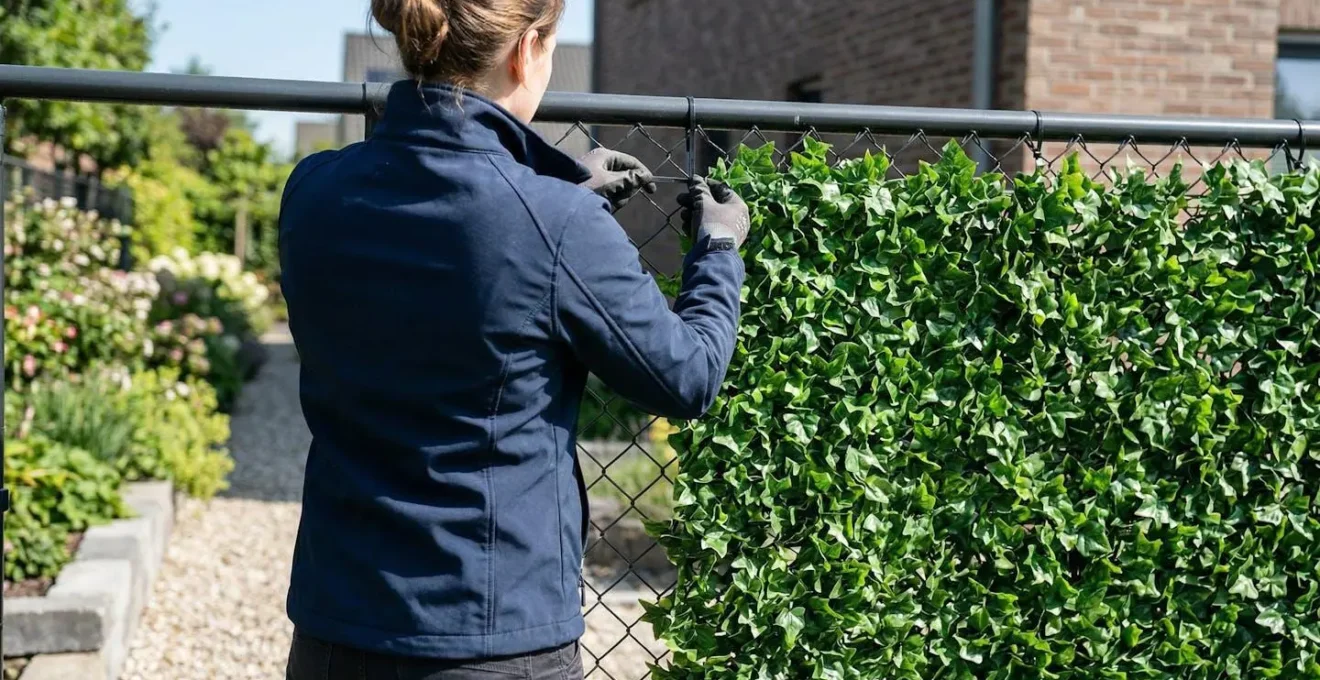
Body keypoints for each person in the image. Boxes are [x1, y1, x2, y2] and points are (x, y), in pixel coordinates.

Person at [277, 0, 750, 677]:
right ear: (526, 50)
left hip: (336, 624)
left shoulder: (314, 190)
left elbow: (454, 245)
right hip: (493, 637)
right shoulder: (557, 224)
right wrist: (720, 246)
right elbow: (687, 375)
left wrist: (564, 188)